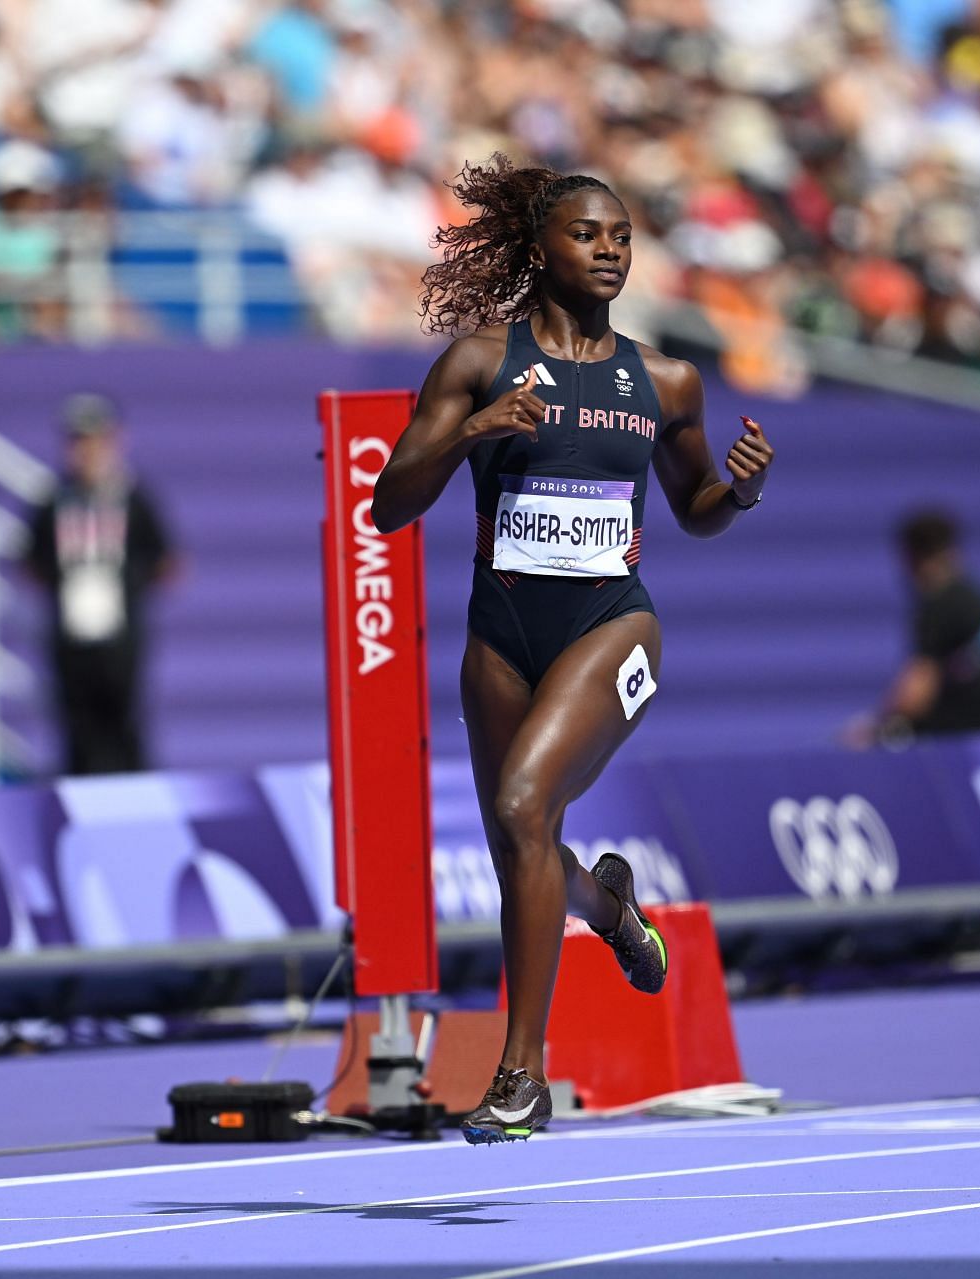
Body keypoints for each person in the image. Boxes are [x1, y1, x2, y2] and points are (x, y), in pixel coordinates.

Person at [370, 156, 776, 1143]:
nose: (609, 251)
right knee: (527, 842)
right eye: (589, 235)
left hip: (613, 627)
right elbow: (388, 505)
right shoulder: (478, 363)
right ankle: (612, 910)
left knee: (520, 807)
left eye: (623, 238)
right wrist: (473, 431)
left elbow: (698, 512)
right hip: (501, 635)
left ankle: (521, 1075)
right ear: (539, 250)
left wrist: (742, 491)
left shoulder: (666, 378)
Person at [21, 394, 178, 776]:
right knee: (77, 732)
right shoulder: (54, 498)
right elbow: (29, 560)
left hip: (120, 638)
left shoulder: (133, 498)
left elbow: (167, 560)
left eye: (96, 440)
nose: (87, 451)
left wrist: (128, 589)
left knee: (125, 727)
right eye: (79, 441)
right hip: (70, 636)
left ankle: (135, 806)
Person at [864, 510, 980, 741]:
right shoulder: (977, 596)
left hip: (962, 732)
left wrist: (871, 730)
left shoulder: (939, 602)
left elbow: (916, 695)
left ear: (910, 556)